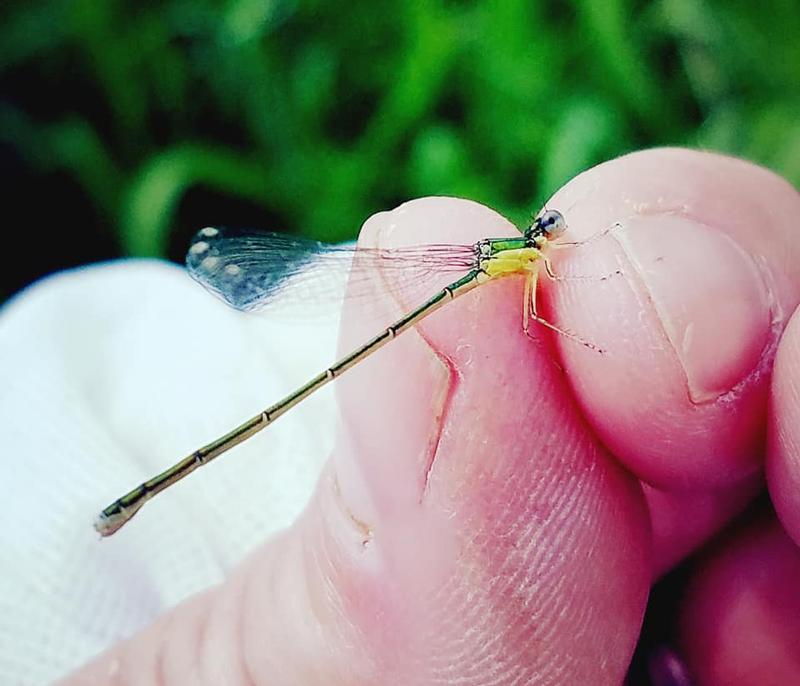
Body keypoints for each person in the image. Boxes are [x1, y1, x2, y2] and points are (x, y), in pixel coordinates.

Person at [1, 148, 798, 685]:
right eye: (547, 235)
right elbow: (529, 323)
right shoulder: (507, 263)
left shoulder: (528, 261)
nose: (551, 239)